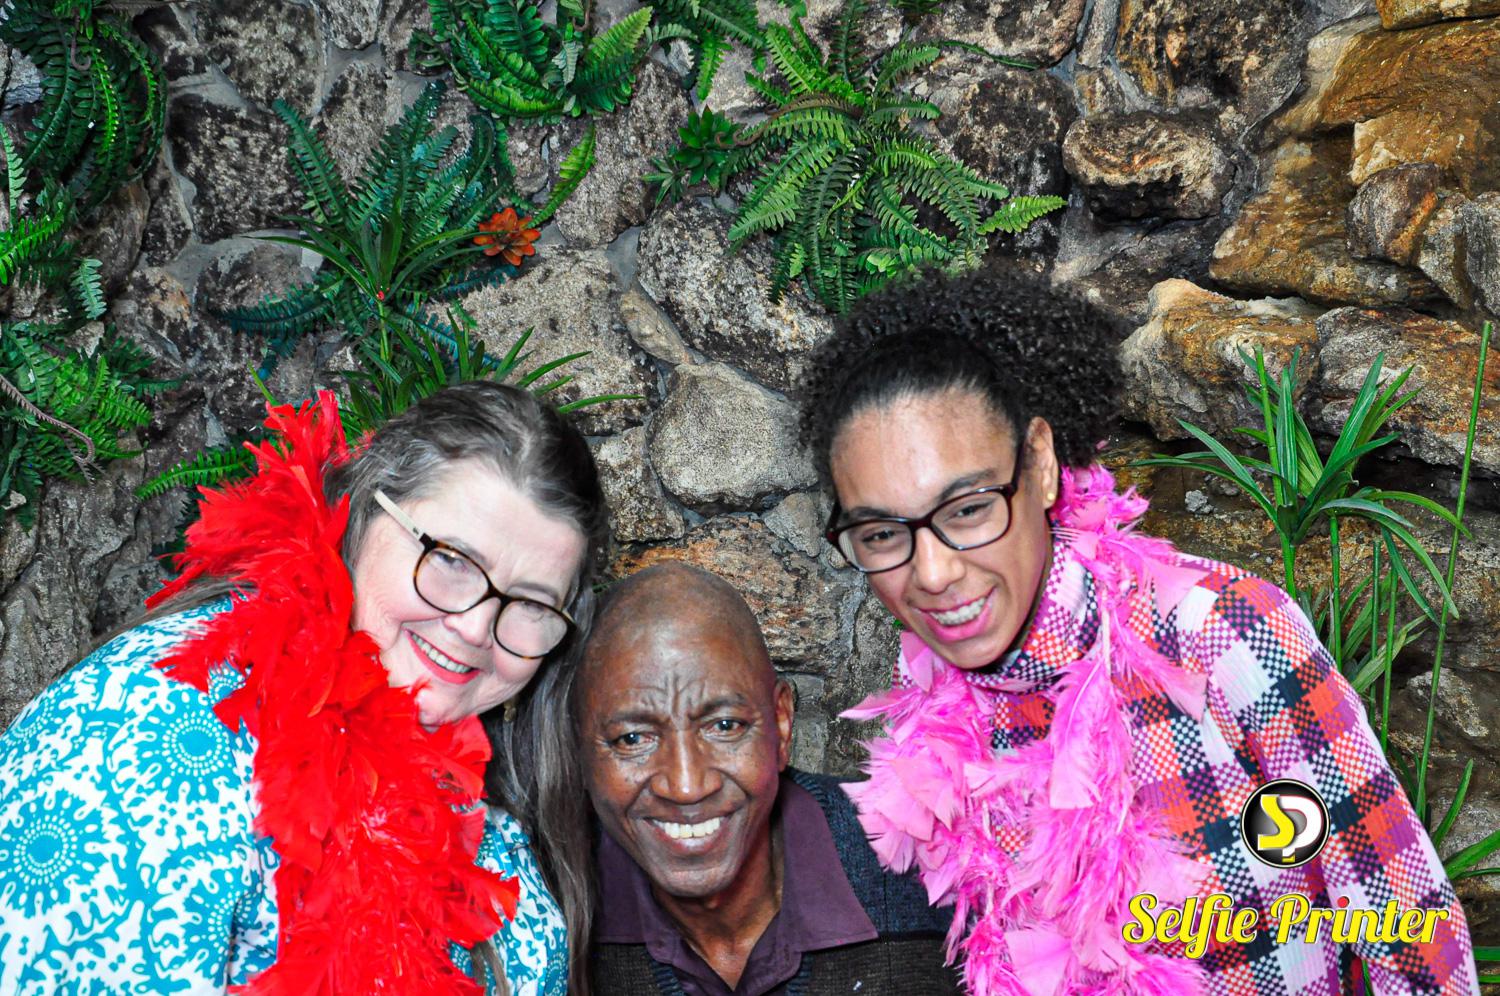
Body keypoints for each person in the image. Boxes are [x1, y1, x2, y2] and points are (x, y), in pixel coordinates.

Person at [798, 264, 1479, 995]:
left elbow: (1410, 927)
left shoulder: (1223, 632)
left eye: (968, 510)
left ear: (1041, 463)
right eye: (882, 534)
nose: (931, 574)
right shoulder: (932, 701)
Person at [0, 382, 604, 995]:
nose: (475, 627)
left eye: (532, 603)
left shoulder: (496, 801)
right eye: (451, 559)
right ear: (364, 511)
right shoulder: (147, 733)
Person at [575, 562, 963, 995]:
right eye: (632, 738)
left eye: (725, 726)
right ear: (577, 749)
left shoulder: (931, 872)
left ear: (781, 723)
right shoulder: (550, 917)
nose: (686, 786)